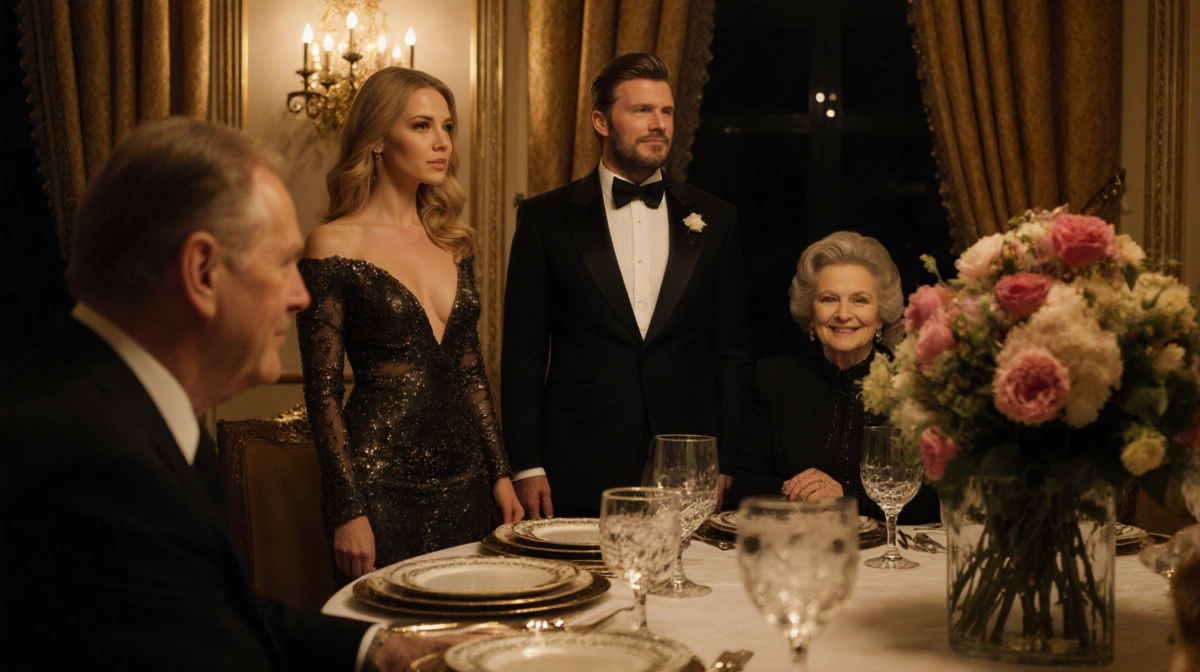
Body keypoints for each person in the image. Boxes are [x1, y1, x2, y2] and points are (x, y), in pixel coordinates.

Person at [0, 117, 465, 671]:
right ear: (201, 271)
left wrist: (380, 648)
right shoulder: (90, 458)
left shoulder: (125, 406)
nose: (299, 295)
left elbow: (213, 614)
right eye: (282, 263)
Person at [502, 53, 754, 518]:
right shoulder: (545, 218)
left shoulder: (717, 218)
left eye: (666, 111)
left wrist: (726, 460)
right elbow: (523, 352)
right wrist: (526, 464)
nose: (658, 124)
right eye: (642, 111)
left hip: (686, 459)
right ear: (601, 121)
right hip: (577, 459)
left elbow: (731, 352)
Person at [298, 67, 522, 582]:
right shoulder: (332, 244)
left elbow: (471, 372)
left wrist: (501, 474)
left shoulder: (453, 242)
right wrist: (347, 508)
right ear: (378, 139)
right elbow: (323, 391)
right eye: (422, 126)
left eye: (447, 127)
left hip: (466, 480)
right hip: (378, 481)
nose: (441, 142)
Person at [725, 231, 939, 522]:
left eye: (860, 300)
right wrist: (803, 492)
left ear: (880, 316)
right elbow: (744, 487)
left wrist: (846, 498)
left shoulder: (909, 385)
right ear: (811, 314)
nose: (843, 313)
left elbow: (929, 500)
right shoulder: (772, 378)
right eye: (829, 299)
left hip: (884, 556)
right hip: (792, 551)